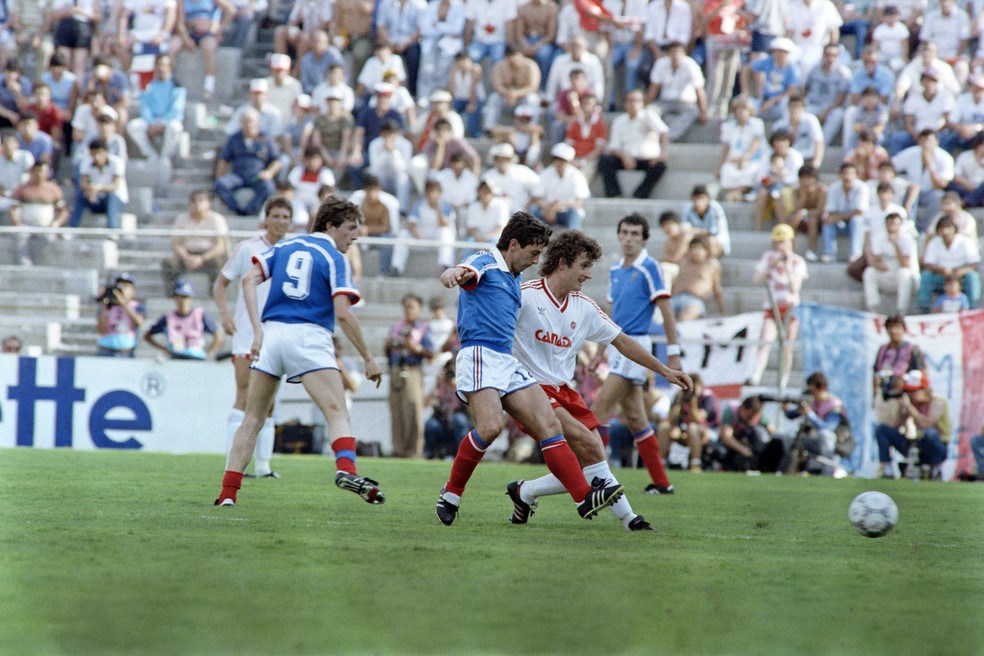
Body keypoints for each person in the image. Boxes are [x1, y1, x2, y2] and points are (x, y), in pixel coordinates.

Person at [434, 212, 626, 526]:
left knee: (549, 423)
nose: (536, 261)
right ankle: (452, 493)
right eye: (533, 253)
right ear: (513, 244)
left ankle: (583, 496)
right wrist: (452, 275)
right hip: (479, 354)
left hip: (505, 360)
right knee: (490, 428)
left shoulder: (514, 276)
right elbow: (461, 272)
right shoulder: (486, 262)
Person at [505, 230, 692, 531]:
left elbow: (623, 341)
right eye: (584, 266)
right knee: (587, 442)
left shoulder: (585, 307)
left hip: (565, 391)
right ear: (563, 263)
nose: (589, 275)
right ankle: (632, 521)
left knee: (590, 461)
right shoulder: (525, 296)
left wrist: (664, 371)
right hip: (530, 390)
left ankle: (524, 491)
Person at [215, 196, 386, 507]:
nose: (355, 236)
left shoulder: (283, 247)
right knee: (337, 412)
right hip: (308, 337)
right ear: (331, 226)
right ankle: (347, 469)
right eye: (350, 228)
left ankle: (227, 494)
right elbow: (343, 314)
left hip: (272, 335)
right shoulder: (334, 257)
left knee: (252, 418)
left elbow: (249, 279)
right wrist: (368, 357)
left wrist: (256, 330)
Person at [591, 213, 684, 495]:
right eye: (625, 233)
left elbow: (667, 311)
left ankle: (596, 479)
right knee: (635, 419)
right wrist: (598, 351)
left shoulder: (649, 267)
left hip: (636, 346)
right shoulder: (616, 268)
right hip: (618, 346)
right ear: (619, 235)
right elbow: (609, 314)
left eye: (635, 234)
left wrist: (674, 354)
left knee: (599, 410)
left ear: (644, 239)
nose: (629, 238)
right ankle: (661, 482)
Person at [212, 197, 293, 479]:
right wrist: (224, 314)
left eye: (286, 217)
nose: (282, 221)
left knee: (269, 402)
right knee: (245, 395)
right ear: (266, 218)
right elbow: (221, 284)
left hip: (276, 336)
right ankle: (232, 463)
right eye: (277, 216)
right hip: (247, 334)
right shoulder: (248, 248)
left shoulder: (292, 251)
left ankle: (263, 467)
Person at [747, 223, 808, 388]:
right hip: (771, 306)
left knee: (787, 345)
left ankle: (783, 379)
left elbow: (795, 287)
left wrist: (787, 267)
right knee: (765, 340)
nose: (781, 246)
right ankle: (756, 374)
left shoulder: (797, 261)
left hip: (790, 308)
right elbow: (756, 280)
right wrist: (771, 265)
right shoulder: (768, 258)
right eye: (778, 242)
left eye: (784, 242)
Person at [875, 370, 951, 480]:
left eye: (913, 391)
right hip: (914, 446)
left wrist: (910, 407)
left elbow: (927, 424)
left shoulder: (938, 402)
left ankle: (935, 469)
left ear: (925, 390)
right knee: (882, 429)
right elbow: (894, 424)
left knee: (930, 433)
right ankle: (886, 469)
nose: (910, 395)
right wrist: (898, 406)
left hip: (936, 447)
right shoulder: (911, 403)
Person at [385, 293, 434, 458]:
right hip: (395, 369)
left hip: (412, 369)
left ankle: (414, 450)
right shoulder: (396, 327)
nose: (408, 310)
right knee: (396, 410)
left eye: (411, 306)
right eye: (406, 306)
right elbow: (388, 351)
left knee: (413, 409)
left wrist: (414, 347)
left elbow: (430, 353)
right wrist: (388, 345)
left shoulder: (422, 329)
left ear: (419, 309)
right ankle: (398, 449)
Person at [598, 89, 669, 199]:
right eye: (630, 100)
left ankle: (640, 195)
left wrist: (663, 153)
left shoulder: (649, 116)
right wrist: (624, 156)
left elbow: (663, 131)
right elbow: (613, 146)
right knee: (605, 161)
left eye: (636, 100)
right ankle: (614, 194)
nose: (633, 104)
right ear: (625, 103)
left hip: (647, 159)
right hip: (626, 158)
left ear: (642, 103)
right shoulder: (619, 120)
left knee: (660, 167)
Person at [214, 109, 281, 217]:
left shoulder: (266, 138)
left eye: (252, 122)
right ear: (241, 123)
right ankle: (236, 209)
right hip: (238, 175)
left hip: (257, 175)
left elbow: (276, 161)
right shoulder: (234, 138)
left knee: (268, 187)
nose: (249, 125)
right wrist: (219, 176)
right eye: (246, 122)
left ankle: (249, 210)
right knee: (221, 184)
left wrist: (269, 172)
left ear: (258, 123)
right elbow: (223, 160)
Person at [781, 371, 850, 475]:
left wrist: (809, 414)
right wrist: (786, 408)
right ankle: (792, 470)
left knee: (825, 435)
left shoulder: (834, 405)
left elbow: (827, 428)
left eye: (812, 391)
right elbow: (792, 415)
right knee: (789, 436)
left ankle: (828, 472)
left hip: (834, 442)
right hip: (812, 439)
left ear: (821, 388)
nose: (811, 394)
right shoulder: (812, 402)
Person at [161, 190, 229, 294]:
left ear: (209, 203)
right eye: (194, 201)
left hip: (209, 256)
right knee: (169, 263)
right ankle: (174, 296)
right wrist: (186, 257)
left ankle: (215, 296)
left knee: (218, 264)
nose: (197, 204)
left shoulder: (217, 219)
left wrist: (202, 258)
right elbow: (176, 243)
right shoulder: (181, 219)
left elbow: (220, 246)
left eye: (201, 201)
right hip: (186, 254)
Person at [126, 54, 186, 164]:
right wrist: (151, 123)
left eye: (165, 65)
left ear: (170, 67)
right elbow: (145, 106)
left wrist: (162, 123)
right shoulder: (149, 85)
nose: (162, 68)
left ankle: (165, 157)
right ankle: (151, 155)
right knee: (133, 126)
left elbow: (176, 109)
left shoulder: (177, 86)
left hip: (167, 121)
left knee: (175, 127)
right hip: (152, 121)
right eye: (159, 65)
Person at [144, 280, 223, 360]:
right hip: (176, 358)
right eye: (180, 296)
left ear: (191, 298)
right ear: (175, 297)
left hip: (197, 358)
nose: (183, 301)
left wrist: (208, 353)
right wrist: (164, 349)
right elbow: (148, 336)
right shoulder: (168, 317)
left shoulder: (200, 315)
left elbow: (218, 336)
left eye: (186, 297)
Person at [917, 215, 981, 312]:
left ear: (954, 229)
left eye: (948, 228)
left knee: (973, 277)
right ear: (938, 230)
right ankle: (924, 308)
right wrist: (941, 270)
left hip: (960, 276)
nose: (945, 231)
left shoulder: (965, 241)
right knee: (926, 275)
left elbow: (975, 263)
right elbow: (928, 263)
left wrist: (960, 271)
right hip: (942, 276)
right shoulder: (934, 242)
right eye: (942, 228)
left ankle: (972, 308)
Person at [8, 161, 66, 265]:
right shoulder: (22, 188)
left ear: (47, 173)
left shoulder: (54, 189)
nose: (39, 174)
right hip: (26, 225)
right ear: (32, 172)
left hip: (45, 226)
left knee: (49, 238)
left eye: (42, 171)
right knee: (20, 236)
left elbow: (63, 212)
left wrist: (55, 223)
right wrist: (17, 223)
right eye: (37, 171)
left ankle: (43, 265)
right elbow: (13, 209)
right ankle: (24, 265)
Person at [658, 373, 717, 472]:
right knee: (664, 428)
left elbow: (698, 419)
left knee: (692, 428)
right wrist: (679, 402)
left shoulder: (707, 398)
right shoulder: (680, 396)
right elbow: (670, 419)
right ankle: (661, 464)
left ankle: (695, 464)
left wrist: (693, 401)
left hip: (706, 432)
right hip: (684, 431)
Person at [862, 212, 919, 313]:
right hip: (886, 274)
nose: (892, 227)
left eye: (895, 224)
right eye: (890, 223)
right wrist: (879, 265)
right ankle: (873, 308)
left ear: (900, 225)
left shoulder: (907, 240)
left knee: (904, 273)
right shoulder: (879, 238)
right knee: (869, 272)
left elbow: (905, 264)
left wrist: (895, 244)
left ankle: (902, 310)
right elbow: (876, 259)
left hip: (901, 275)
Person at [68, 138, 127, 229]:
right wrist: (90, 189)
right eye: (93, 153)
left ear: (106, 153)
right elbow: (83, 184)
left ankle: (112, 230)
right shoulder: (86, 162)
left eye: (99, 153)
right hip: (95, 198)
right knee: (81, 196)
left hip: (115, 201)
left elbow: (115, 186)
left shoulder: (117, 162)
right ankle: (72, 228)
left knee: (111, 196)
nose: (96, 157)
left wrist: (98, 188)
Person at [529, 143, 590, 230]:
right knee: (532, 211)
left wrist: (558, 206)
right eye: (556, 159)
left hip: (565, 212)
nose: (559, 163)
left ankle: (573, 241)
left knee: (574, 213)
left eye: (562, 160)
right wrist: (547, 209)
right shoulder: (546, 173)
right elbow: (536, 197)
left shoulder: (576, 175)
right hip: (546, 210)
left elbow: (580, 201)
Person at [821, 162, 868, 263]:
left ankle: (855, 254)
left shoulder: (862, 188)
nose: (848, 176)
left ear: (856, 175)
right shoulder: (833, 188)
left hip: (857, 224)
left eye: (851, 173)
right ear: (840, 175)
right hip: (841, 223)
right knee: (828, 222)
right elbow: (831, 211)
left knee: (857, 221)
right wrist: (836, 217)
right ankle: (829, 253)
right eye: (845, 173)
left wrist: (839, 217)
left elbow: (859, 212)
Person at [424, 359, 471, 459]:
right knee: (430, 424)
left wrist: (459, 388)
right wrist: (436, 385)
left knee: (459, 419)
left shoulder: (463, 384)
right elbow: (425, 404)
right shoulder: (441, 386)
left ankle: (463, 455)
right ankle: (429, 454)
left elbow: (470, 408)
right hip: (442, 423)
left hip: (458, 423)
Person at [670, 236, 725, 321]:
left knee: (685, 317)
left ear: (706, 250)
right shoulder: (684, 261)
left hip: (695, 300)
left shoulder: (712, 265)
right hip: (676, 298)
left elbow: (717, 289)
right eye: (692, 248)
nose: (695, 251)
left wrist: (722, 311)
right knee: (662, 316)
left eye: (698, 248)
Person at [95, 273, 145, 357]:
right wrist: (104, 305)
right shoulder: (107, 306)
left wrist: (124, 304)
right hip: (106, 350)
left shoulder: (136, 306)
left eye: (126, 286)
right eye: (120, 286)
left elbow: (139, 323)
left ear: (133, 291)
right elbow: (101, 330)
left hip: (126, 350)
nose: (122, 289)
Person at [681, 184, 731, 257]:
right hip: (696, 241)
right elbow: (684, 228)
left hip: (717, 243)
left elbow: (713, 232)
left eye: (701, 198)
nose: (698, 202)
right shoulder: (688, 208)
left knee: (710, 240)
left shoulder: (715, 208)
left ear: (708, 199)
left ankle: (711, 264)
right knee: (685, 239)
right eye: (696, 199)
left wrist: (696, 231)